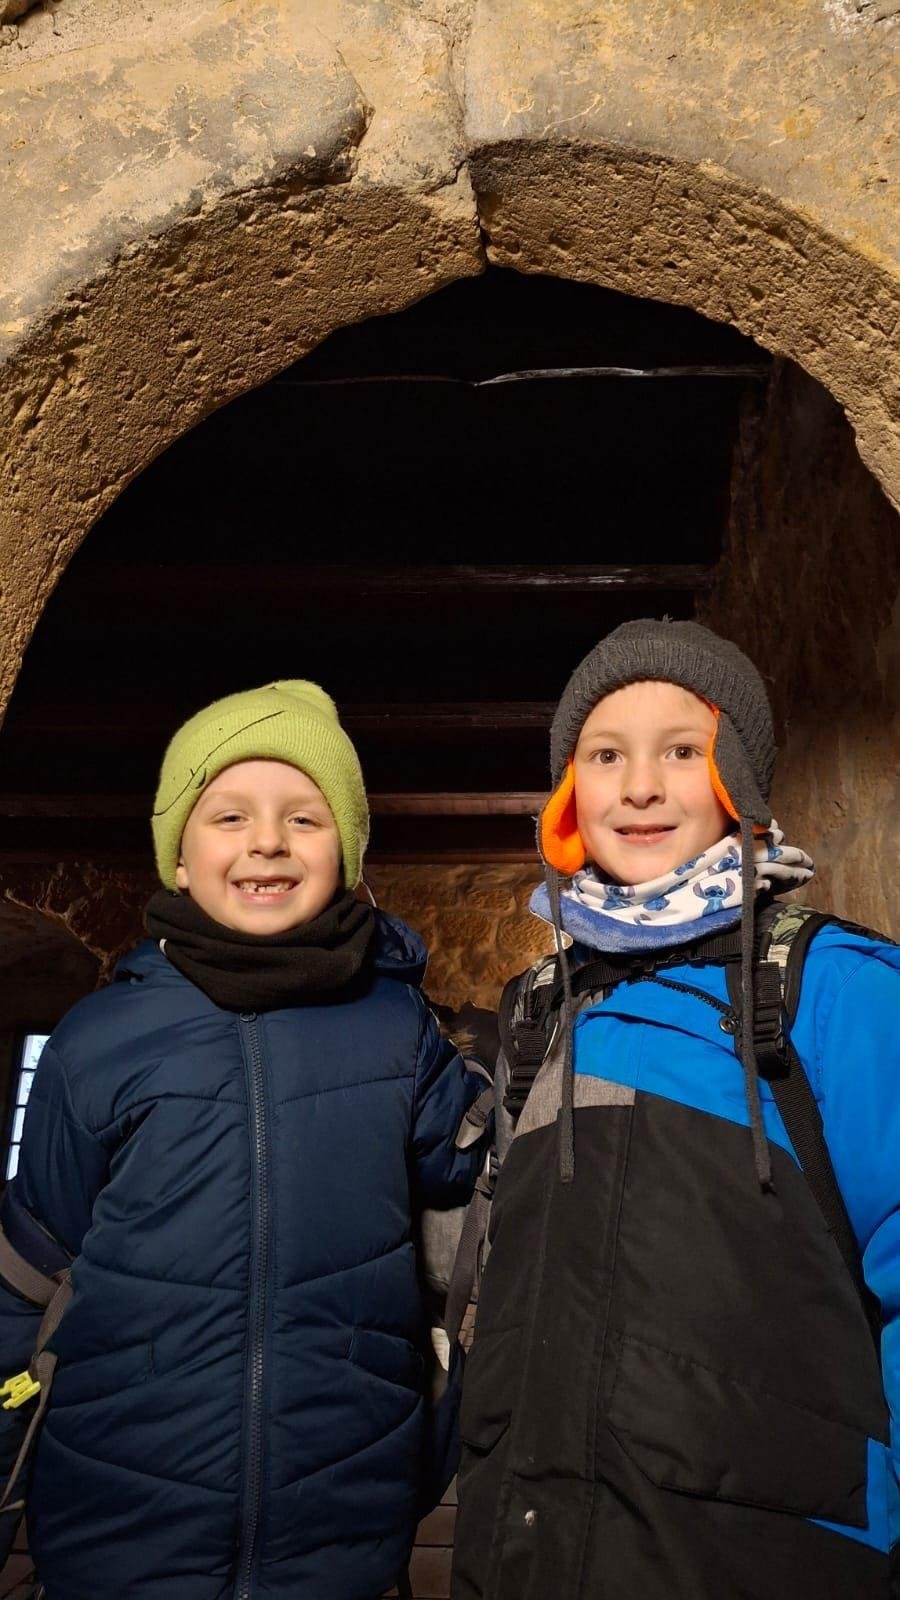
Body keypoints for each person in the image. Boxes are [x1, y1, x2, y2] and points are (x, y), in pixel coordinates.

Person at [0, 680, 488, 1600]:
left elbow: (468, 1168)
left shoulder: (395, 1028)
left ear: (346, 853)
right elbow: (28, 1270)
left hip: (341, 1519)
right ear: (179, 858)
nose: (268, 841)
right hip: (120, 1520)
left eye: (304, 817)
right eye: (229, 815)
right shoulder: (99, 1040)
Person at [452, 619, 899, 1600]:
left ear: (741, 779)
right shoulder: (540, 1010)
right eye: (607, 755)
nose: (641, 786)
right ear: (570, 792)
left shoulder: (836, 989)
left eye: (683, 751)